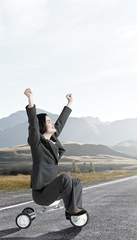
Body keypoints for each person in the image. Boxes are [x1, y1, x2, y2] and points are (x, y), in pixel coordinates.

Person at [24, 88, 87, 220]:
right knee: (65, 178)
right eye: (48, 122)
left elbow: (61, 122)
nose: (52, 123)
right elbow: (33, 124)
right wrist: (30, 99)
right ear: (41, 126)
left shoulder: (53, 140)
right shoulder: (37, 142)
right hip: (42, 194)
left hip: (52, 190)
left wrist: (69, 103)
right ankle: (71, 211)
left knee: (75, 182)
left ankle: (74, 209)